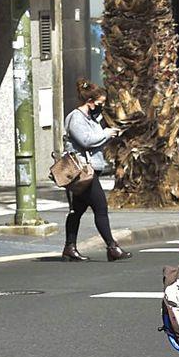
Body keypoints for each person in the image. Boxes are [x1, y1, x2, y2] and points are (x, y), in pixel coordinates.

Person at [60, 79, 131, 262]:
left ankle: (69, 247)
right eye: (99, 104)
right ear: (89, 102)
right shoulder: (76, 118)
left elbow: (94, 141)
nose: (101, 107)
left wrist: (109, 134)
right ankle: (112, 247)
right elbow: (86, 140)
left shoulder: (90, 119)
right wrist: (106, 133)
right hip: (83, 172)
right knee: (100, 208)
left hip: (90, 170)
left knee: (77, 210)